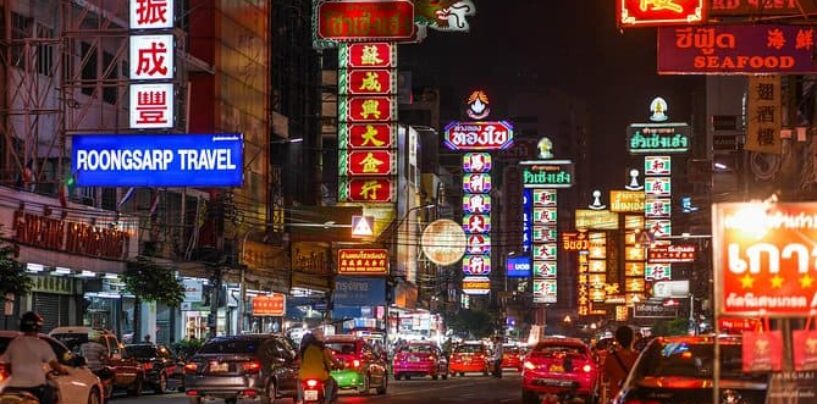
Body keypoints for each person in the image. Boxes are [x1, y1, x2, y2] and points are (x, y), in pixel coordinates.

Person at [0, 312, 68, 404]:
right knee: (52, 389)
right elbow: (54, 365)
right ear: (38, 327)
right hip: (36, 387)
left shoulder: (14, 343)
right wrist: (63, 370)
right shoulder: (42, 344)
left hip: (14, 386)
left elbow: (7, 363)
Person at [298, 333, 341, 403]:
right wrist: (330, 369)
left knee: (299, 382)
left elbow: (300, 363)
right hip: (320, 375)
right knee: (330, 382)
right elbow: (327, 362)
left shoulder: (302, 350)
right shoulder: (322, 348)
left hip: (304, 376)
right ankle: (327, 400)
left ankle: (300, 400)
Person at [602, 326, 639, 401]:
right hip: (634, 398)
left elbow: (605, 378)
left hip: (616, 397)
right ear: (633, 339)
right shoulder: (639, 358)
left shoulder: (610, 358)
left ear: (617, 339)